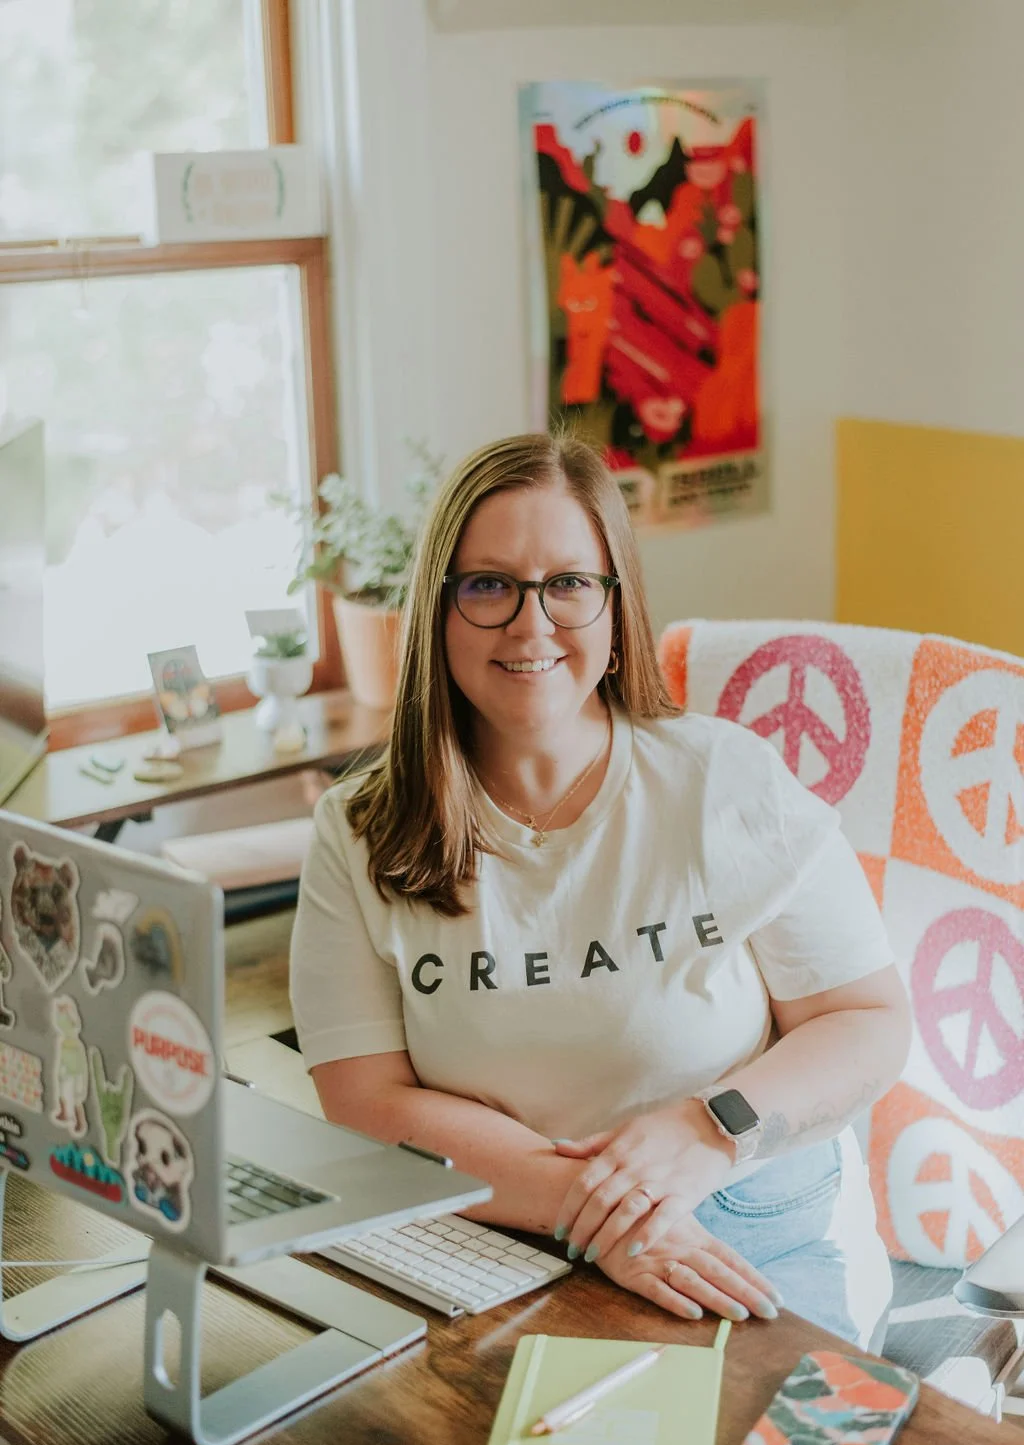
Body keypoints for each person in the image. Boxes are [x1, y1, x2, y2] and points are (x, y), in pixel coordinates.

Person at [290, 432, 910, 1348]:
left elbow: (869, 1022)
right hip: (502, 1237)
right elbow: (366, 1101)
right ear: (440, 610)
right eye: (489, 585)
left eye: (570, 585)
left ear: (617, 609)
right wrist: (598, 1206)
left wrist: (708, 1131)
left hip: (756, 1227)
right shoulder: (358, 832)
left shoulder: (724, 783)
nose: (531, 626)